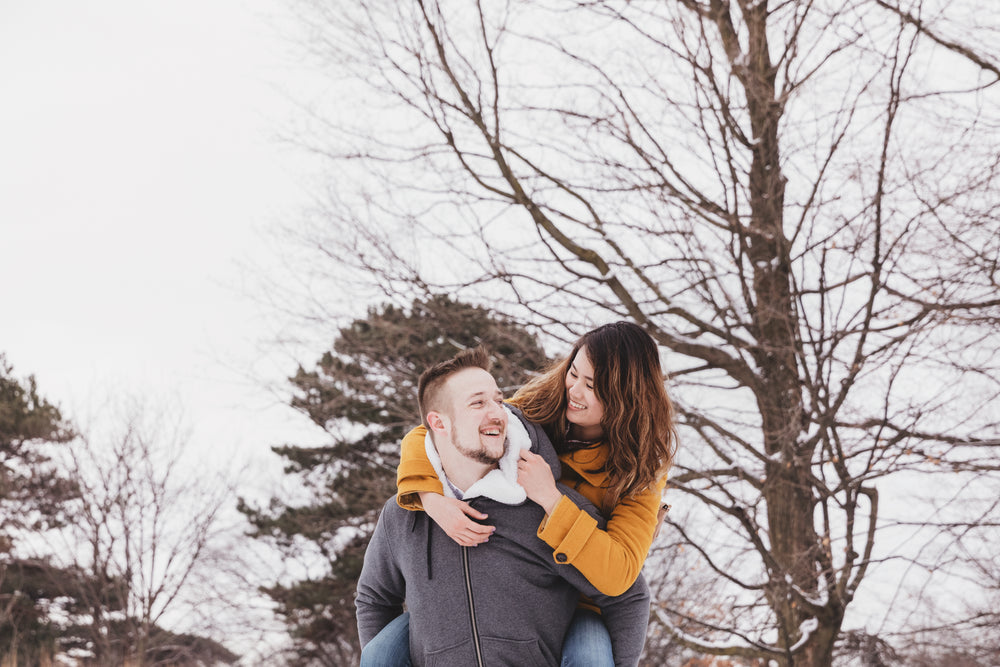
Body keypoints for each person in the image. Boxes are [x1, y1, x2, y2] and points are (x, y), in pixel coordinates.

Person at [395, 321, 677, 664]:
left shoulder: (643, 467)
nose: (574, 390)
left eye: (592, 385)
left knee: (591, 652)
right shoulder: (536, 408)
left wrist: (551, 499)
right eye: (574, 373)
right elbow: (432, 430)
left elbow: (618, 574)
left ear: (626, 395)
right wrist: (431, 498)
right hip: (515, 584)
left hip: (579, 600)